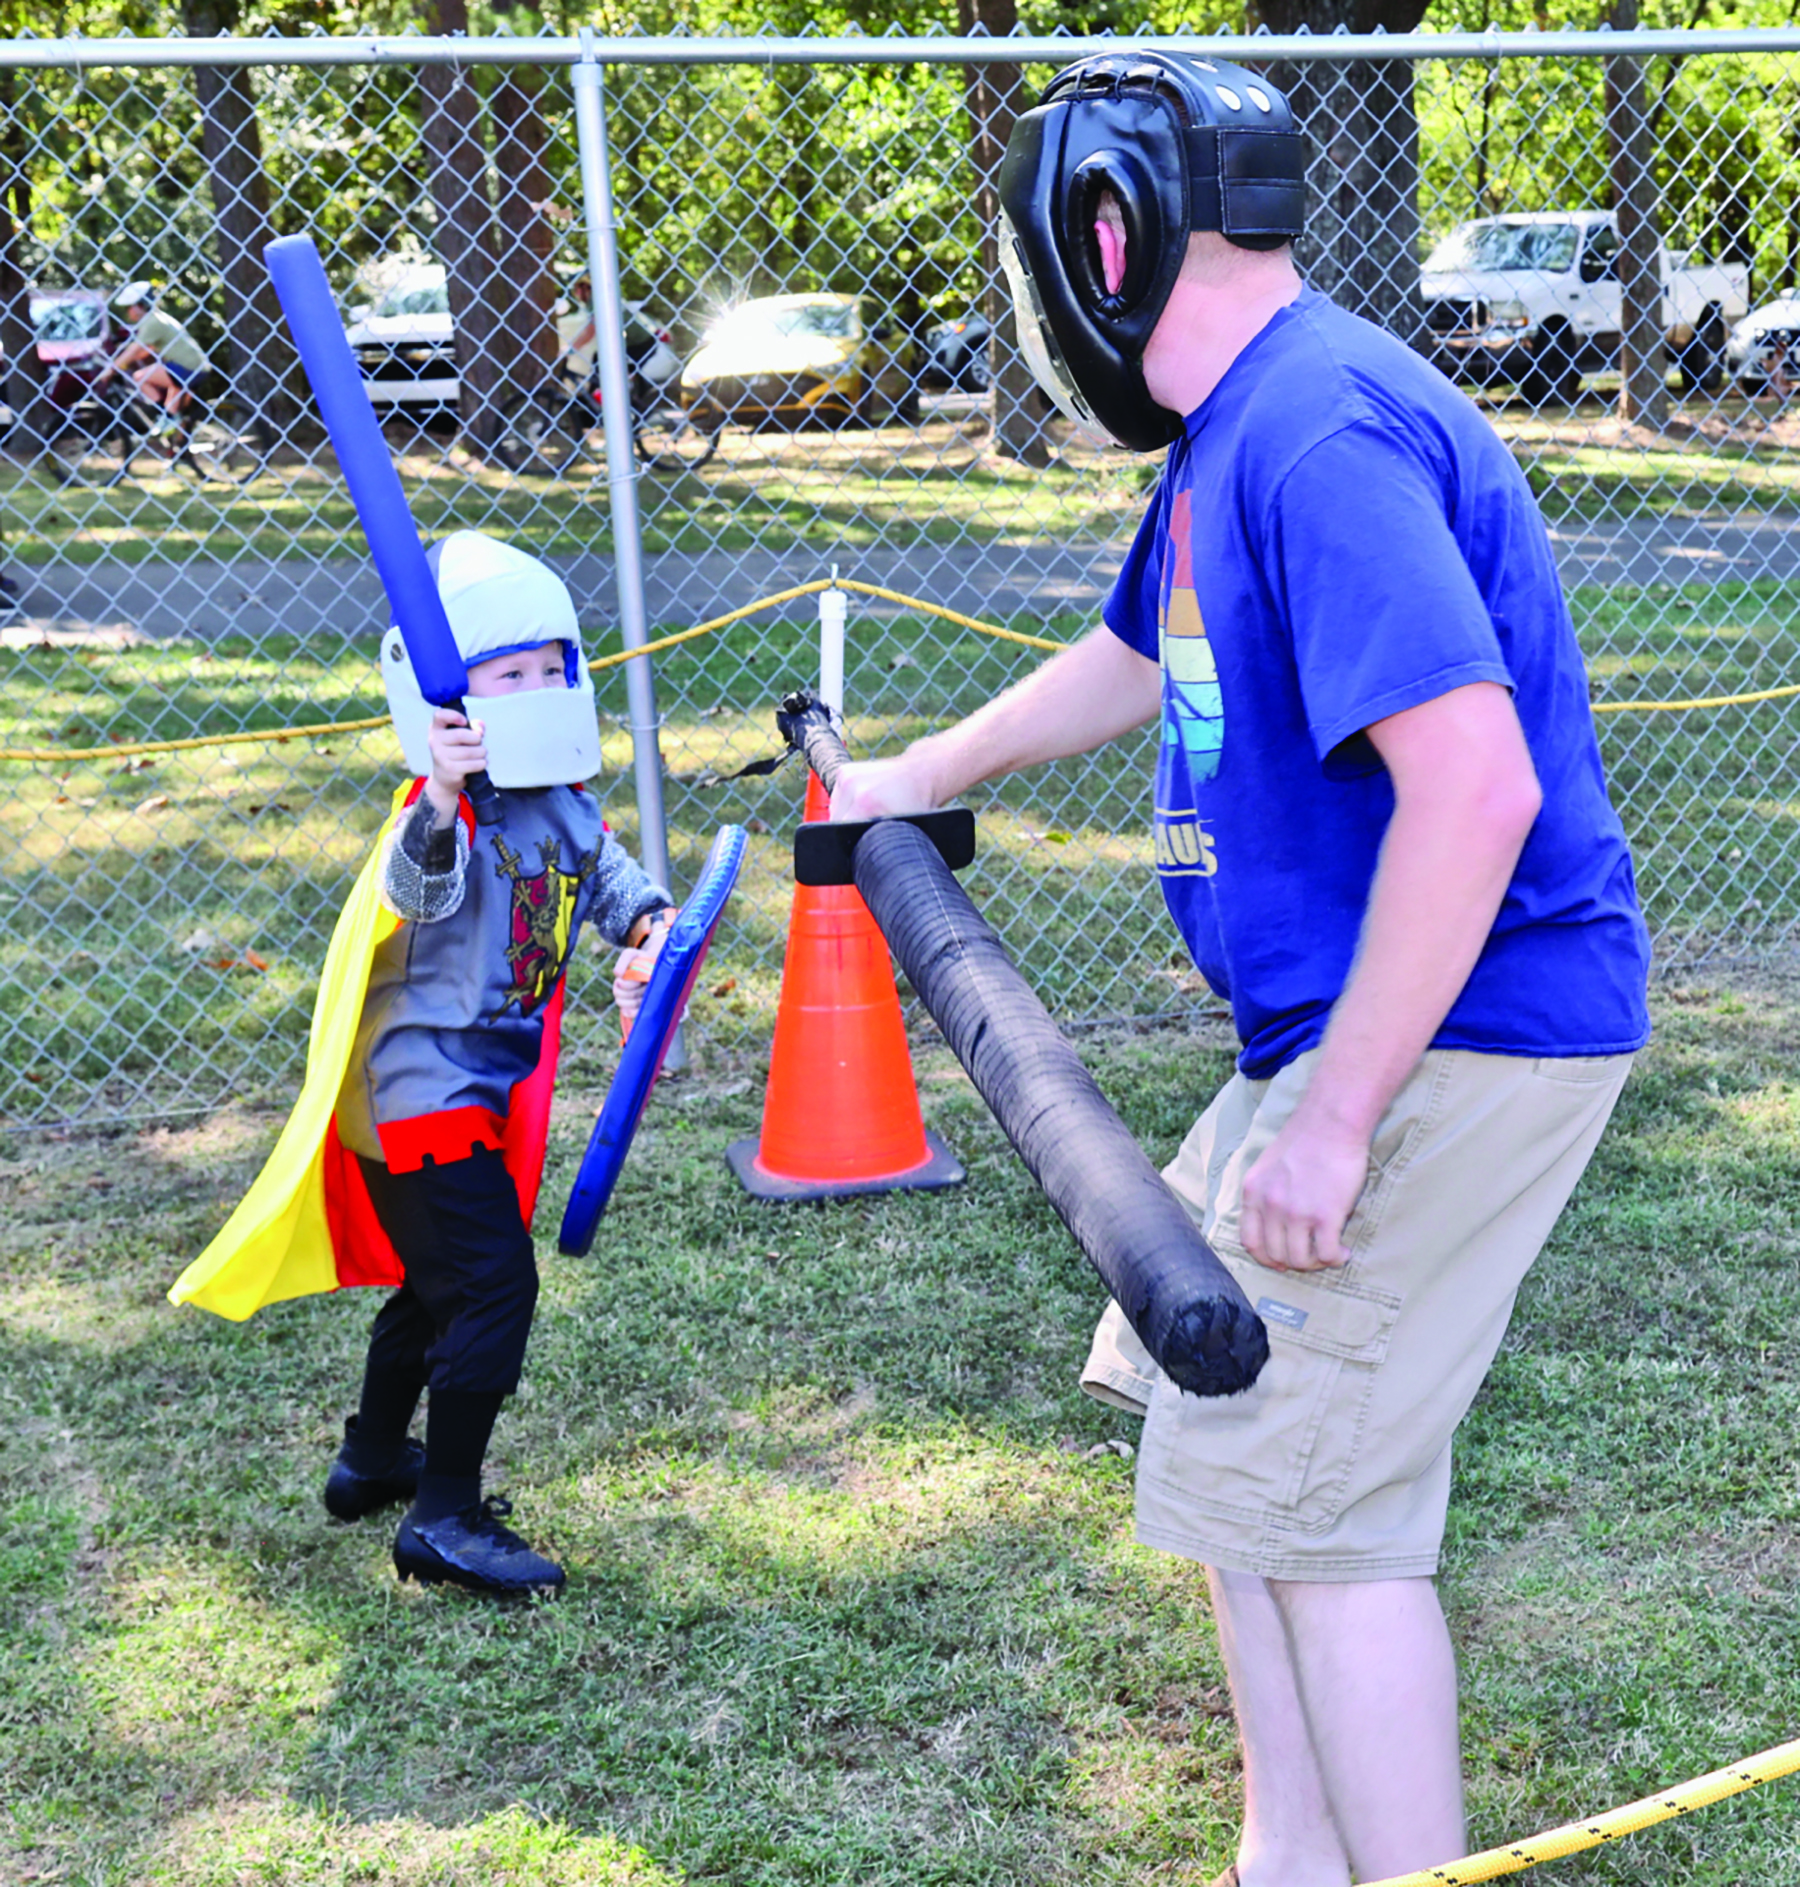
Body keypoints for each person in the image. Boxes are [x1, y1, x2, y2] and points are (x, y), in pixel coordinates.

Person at [830, 51, 1650, 1887]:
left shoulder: (1320, 431)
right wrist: (918, 776)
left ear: (1100, 238)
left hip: (1459, 1022)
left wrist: (1338, 1120)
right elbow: (1134, 654)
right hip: (1348, 1015)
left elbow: (1477, 781)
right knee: (1232, 1449)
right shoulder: (1239, 436)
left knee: (1327, 1508)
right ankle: (1290, 1854)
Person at [170, 531, 676, 1598]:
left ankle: (371, 1462)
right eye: (510, 673)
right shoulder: (438, 814)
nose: (538, 687)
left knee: (435, 1281)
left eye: (551, 667)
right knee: (494, 1285)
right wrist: (443, 797)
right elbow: (419, 890)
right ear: (451, 697)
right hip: (418, 1093)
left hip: (468, 1089)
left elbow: (611, 877)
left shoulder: (560, 800)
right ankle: (444, 1516)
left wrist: (648, 928)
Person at [95, 280, 212, 431]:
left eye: (129, 307)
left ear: (140, 306)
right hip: (196, 367)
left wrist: (111, 369)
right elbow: (144, 350)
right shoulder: (158, 317)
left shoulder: (152, 322)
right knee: (172, 414)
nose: (128, 311)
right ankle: (178, 442)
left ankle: (163, 415)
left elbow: (134, 350)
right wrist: (125, 362)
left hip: (185, 368)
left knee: (139, 377)